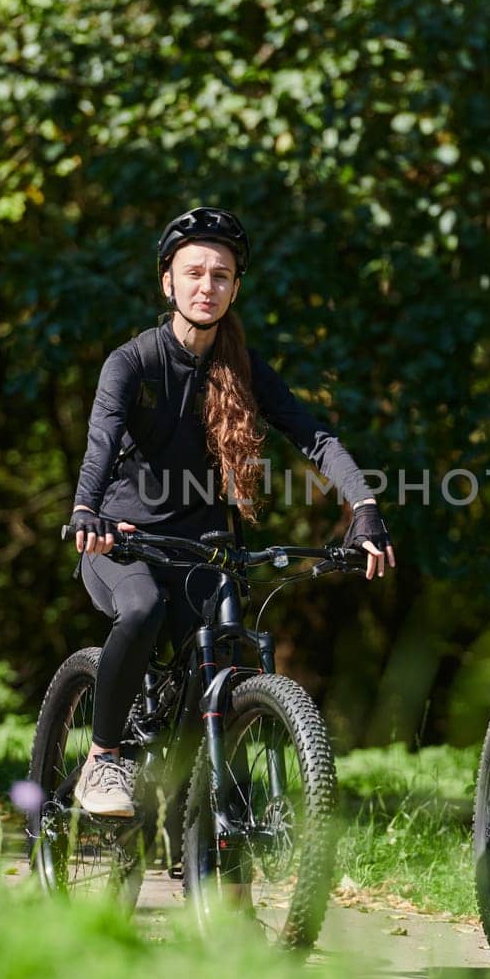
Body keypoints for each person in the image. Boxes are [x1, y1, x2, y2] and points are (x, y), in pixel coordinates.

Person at [67, 206, 395, 816]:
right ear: (167, 281)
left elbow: (315, 437)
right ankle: (103, 757)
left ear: (235, 287)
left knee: (226, 658)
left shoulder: (242, 369)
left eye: (221, 276)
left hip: (204, 545)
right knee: (140, 609)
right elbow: (101, 442)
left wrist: (365, 506)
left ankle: (223, 857)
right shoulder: (132, 362)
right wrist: (88, 510)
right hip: (123, 540)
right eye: (193, 273)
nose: (206, 287)